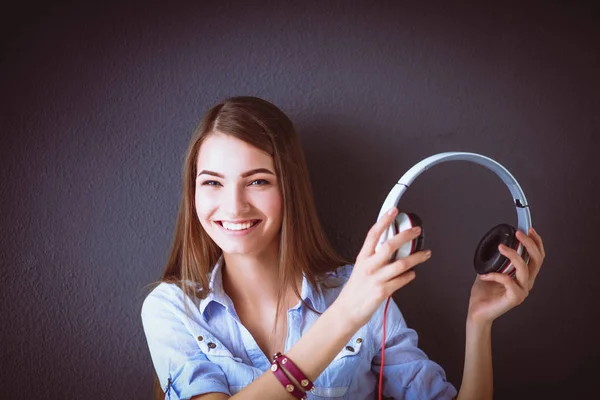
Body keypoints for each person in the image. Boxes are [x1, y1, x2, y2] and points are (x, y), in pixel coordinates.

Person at [141, 96, 546, 400]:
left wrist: (479, 325)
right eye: (212, 182)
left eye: (258, 181)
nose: (233, 206)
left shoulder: (364, 292)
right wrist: (349, 311)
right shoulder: (171, 309)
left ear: (289, 190)